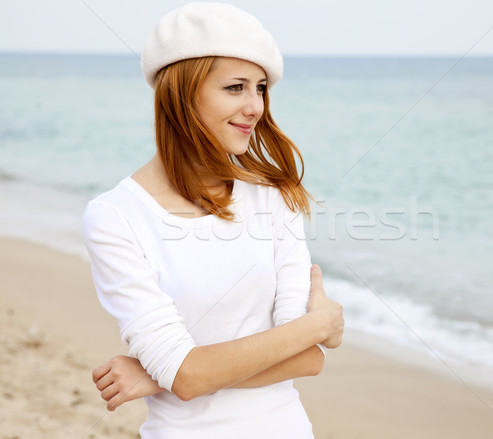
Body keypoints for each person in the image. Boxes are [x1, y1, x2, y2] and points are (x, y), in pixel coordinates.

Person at [82, 2, 344, 438]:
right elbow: (187, 376)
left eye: (260, 88)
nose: (255, 106)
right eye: (236, 87)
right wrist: (316, 325)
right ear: (182, 94)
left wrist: (163, 374)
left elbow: (308, 358)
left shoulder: (273, 197)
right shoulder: (115, 217)